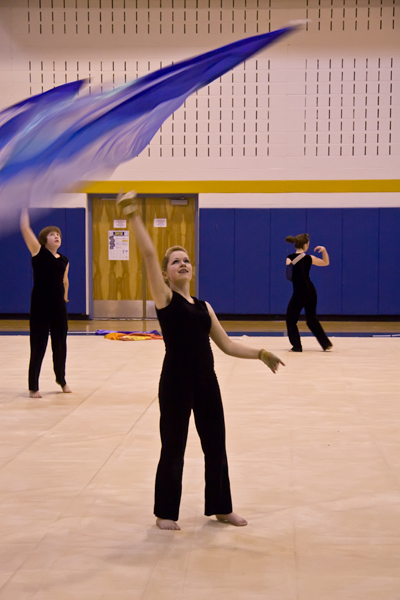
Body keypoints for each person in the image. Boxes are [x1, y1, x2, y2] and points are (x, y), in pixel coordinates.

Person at [117, 191, 284, 530]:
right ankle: (165, 513)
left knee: (216, 444)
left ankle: (222, 508)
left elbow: (226, 345)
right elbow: (149, 253)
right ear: (165, 274)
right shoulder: (165, 300)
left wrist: (261, 353)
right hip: (176, 382)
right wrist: (133, 215)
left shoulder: (203, 306)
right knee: (173, 446)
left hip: (206, 381)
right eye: (175, 261)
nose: (183, 263)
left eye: (186, 260)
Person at [20, 209, 72, 398]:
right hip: (41, 305)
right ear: (44, 239)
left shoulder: (64, 260)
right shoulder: (38, 251)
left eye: (58, 234)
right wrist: (24, 208)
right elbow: (25, 227)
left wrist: (65, 296)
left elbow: (65, 280)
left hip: (59, 306)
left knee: (60, 344)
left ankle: (62, 379)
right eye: (52, 235)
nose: (56, 237)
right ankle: (33, 386)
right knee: (38, 344)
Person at [285, 233, 332, 353]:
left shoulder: (289, 257)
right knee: (311, 319)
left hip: (299, 292)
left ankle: (297, 346)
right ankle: (326, 344)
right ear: (305, 245)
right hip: (311, 291)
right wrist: (324, 250)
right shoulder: (309, 258)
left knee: (291, 319)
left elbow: (288, 276)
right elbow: (325, 262)